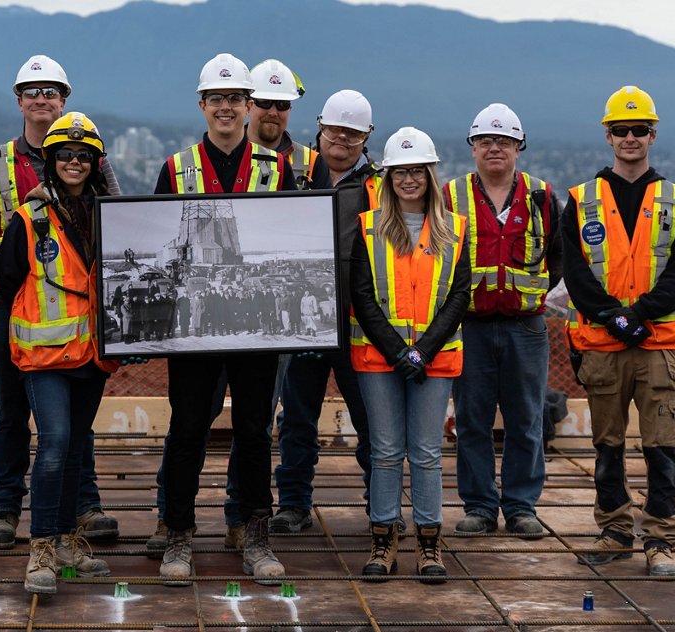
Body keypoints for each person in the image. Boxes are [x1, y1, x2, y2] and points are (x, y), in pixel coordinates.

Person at [153, 53, 295, 586]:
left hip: (252, 322)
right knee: (188, 427)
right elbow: (163, 242)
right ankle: (179, 534)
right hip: (195, 324)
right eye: (218, 99)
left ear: (248, 105)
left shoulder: (276, 168)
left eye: (236, 99)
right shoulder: (177, 167)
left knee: (255, 429)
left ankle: (255, 533)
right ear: (203, 105)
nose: (227, 108)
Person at [0, 54, 123, 550]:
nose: (41, 98)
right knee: (12, 414)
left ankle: (84, 505)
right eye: (32, 91)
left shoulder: (96, 168)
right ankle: (6, 506)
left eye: (50, 91)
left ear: (64, 100)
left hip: (79, 317)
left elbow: (120, 235)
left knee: (71, 426)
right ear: (19, 100)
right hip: (14, 304)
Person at [564, 86, 675, 578]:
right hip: (603, 344)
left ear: (652, 134)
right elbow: (577, 274)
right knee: (608, 445)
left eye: (638, 129)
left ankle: (661, 538)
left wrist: (636, 315)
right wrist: (613, 318)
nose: (629, 137)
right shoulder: (580, 200)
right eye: (620, 130)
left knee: (661, 445)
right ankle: (616, 530)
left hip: (658, 346)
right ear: (607, 135)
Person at [0, 112, 123, 596]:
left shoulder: (106, 214)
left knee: (75, 447)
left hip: (90, 355)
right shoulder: (30, 218)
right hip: (45, 356)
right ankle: (42, 548)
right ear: (50, 161)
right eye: (66, 155)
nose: (75, 162)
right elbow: (7, 281)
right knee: (53, 444)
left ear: (95, 163)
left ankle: (69, 539)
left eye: (84, 156)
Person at [350, 127, 469, 584]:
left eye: (416, 170)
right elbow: (361, 296)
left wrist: (423, 351)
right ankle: (383, 541)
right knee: (384, 452)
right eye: (399, 171)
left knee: (424, 453)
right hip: (381, 359)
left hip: (434, 359)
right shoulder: (369, 226)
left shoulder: (454, 229)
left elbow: (458, 296)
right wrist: (401, 352)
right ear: (388, 176)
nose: (408, 179)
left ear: (430, 175)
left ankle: (428, 543)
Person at [443, 103, 562, 539]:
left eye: (505, 141)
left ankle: (520, 506)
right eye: (486, 141)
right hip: (469, 325)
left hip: (525, 327)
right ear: (473, 147)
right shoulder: (450, 196)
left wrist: (532, 293)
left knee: (525, 419)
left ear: (519, 147)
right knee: (472, 420)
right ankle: (478, 506)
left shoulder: (543, 197)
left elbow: (559, 255)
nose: (495, 148)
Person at [271, 90, 381, 534]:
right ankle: (294, 504)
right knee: (297, 418)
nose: (342, 139)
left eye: (352, 133)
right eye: (335, 129)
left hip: (360, 323)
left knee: (371, 420)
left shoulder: (379, 185)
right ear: (320, 127)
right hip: (304, 321)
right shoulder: (296, 175)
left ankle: (381, 503)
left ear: (366, 137)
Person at [245, 59, 331, 190]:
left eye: (282, 105)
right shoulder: (226, 155)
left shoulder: (313, 164)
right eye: (265, 103)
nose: (273, 112)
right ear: (248, 106)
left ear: (290, 109)